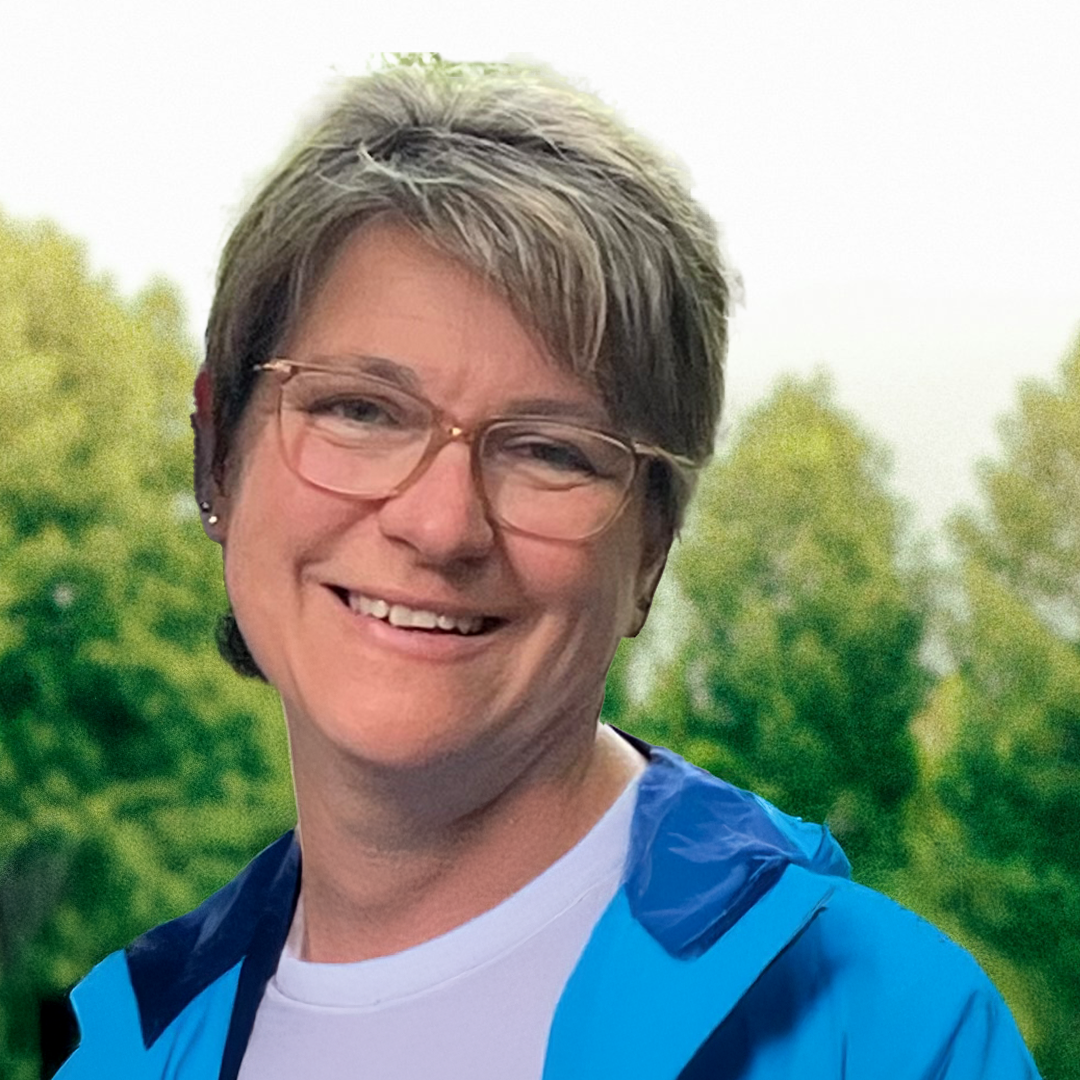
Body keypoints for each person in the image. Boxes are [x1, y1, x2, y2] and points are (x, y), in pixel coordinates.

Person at [54, 58, 1041, 1079]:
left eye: (551, 451)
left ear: (651, 546)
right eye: (359, 409)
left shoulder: (887, 1036)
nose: (441, 524)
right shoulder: (133, 1048)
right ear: (219, 454)